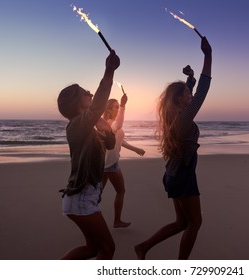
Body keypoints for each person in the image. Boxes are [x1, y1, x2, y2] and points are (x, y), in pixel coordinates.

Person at [135, 37, 212, 259]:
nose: (191, 94)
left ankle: (143, 247)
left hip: (174, 173)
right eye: (187, 94)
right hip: (183, 176)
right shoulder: (183, 118)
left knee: (181, 223)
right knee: (195, 223)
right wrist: (208, 55)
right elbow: (203, 91)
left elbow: (191, 91)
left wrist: (190, 79)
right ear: (180, 100)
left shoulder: (174, 116)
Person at [57, 50, 120, 259]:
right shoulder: (76, 126)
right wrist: (109, 71)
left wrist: (105, 128)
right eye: (86, 93)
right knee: (107, 249)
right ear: (76, 103)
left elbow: (110, 144)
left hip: (85, 197)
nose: (91, 93)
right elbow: (99, 103)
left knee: (92, 249)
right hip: (81, 197)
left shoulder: (88, 127)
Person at [96, 94, 145, 228]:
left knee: (97, 194)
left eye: (119, 107)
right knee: (121, 191)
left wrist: (135, 149)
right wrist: (123, 106)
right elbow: (119, 125)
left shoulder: (107, 124)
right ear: (109, 110)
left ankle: (90, 216)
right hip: (111, 164)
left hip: (105, 164)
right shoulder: (111, 124)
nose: (118, 109)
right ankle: (116, 221)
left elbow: (120, 141)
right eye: (116, 107)